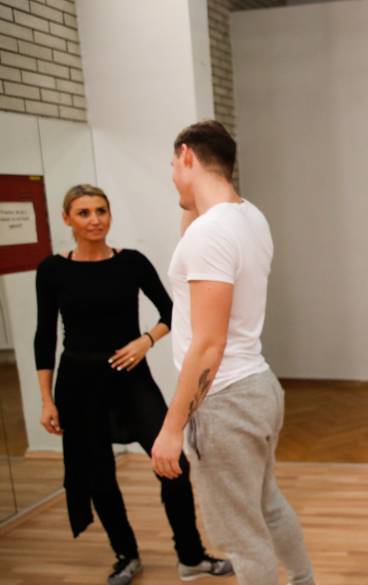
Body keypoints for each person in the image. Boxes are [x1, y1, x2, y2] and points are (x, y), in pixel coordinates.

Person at [33, 184, 233, 585]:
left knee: (172, 464)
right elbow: (45, 336)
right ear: (67, 219)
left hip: (130, 379)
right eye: (84, 212)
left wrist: (146, 341)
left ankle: (191, 556)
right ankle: (126, 555)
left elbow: (171, 310)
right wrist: (46, 399)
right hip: (78, 383)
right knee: (99, 475)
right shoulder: (52, 270)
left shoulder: (131, 262)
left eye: (101, 211)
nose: (95, 220)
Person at [150, 120, 317, 585]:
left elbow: (209, 344)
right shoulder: (248, 216)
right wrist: (191, 200)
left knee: (242, 537)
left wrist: (172, 427)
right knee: (267, 505)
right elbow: (194, 250)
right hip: (258, 388)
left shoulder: (210, 234)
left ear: (187, 156)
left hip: (223, 402)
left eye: (173, 165)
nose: (171, 177)